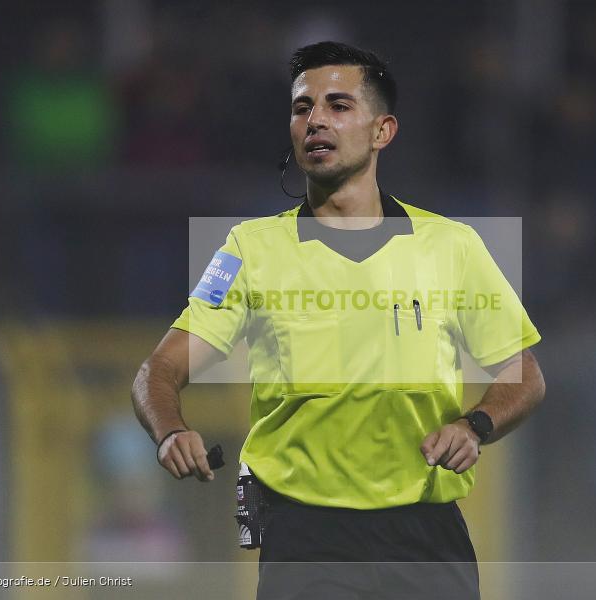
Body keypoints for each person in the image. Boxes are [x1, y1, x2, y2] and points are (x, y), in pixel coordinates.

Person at [132, 41, 545, 600]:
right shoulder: (249, 250)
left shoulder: (453, 247)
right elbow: (159, 369)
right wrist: (171, 432)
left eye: (339, 105)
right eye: (303, 108)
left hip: (426, 536)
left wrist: (475, 427)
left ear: (383, 131)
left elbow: (525, 374)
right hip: (305, 537)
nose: (316, 120)